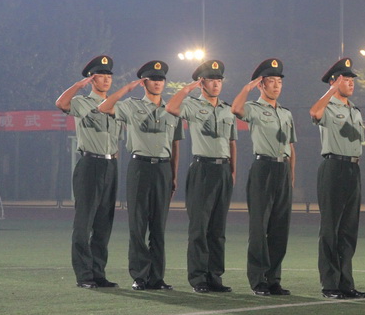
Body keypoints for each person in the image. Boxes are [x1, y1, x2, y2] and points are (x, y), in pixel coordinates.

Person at [97, 60, 182, 291]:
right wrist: (126, 89)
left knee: (158, 227)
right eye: (153, 79)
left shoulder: (172, 109)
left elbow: (175, 145)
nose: (158, 83)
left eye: (161, 79)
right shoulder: (131, 105)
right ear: (144, 82)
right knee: (138, 224)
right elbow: (104, 108)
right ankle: (140, 276)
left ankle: (157, 277)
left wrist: (173, 175)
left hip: (163, 169)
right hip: (140, 167)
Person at [166, 59, 237, 293]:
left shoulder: (227, 108)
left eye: (219, 80)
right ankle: (198, 278)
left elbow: (231, 142)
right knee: (199, 227)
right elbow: (171, 107)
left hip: (223, 169)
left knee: (218, 230)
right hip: (202, 169)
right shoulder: (192, 105)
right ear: (202, 82)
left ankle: (215, 276)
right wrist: (188, 88)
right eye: (211, 80)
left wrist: (232, 170)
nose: (216, 84)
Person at [56, 55, 123, 289]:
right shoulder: (82, 102)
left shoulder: (116, 106)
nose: (106, 79)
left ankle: (98, 273)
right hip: (89, 164)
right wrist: (77, 85)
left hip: (110, 165)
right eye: (100, 75)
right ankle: (84, 275)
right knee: (84, 224)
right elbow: (61, 104)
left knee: (104, 223)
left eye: (108, 75)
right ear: (92, 79)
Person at [231, 58, 296, 297]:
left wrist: (291, 176)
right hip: (263, 169)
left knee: (280, 228)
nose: (277, 86)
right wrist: (247, 87)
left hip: (282, 170)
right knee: (259, 228)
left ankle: (273, 278)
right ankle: (258, 279)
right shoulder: (254, 108)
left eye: (279, 81)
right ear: (262, 85)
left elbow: (291, 146)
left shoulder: (286, 113)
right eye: (271, 81)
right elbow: (236, 109)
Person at [309, 57, 365, 299]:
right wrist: (331, 91)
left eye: (352, 79)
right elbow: (315, 113)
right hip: (333, 167)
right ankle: (330, 284)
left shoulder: (354, 110)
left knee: (348, 230)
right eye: (346, 79)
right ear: (333, 82)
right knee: (330, 228)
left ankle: (346, 283)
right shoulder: (328, 106)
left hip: (353, 169)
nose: (351, 82)